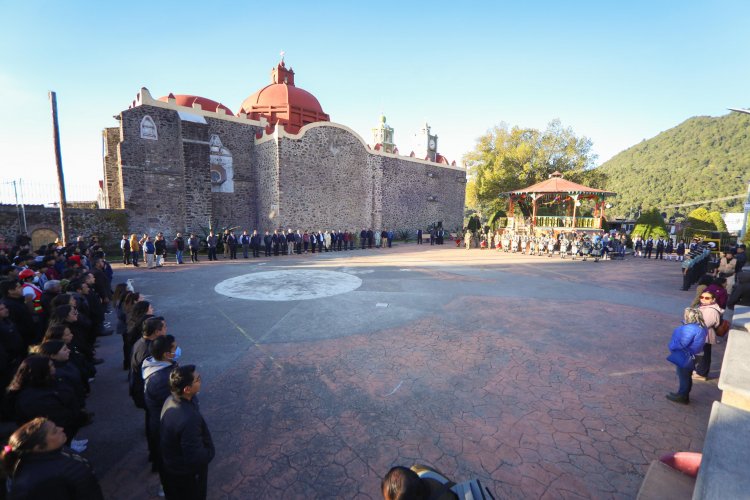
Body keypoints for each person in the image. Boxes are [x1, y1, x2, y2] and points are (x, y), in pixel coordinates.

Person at [1, 417, 104, 499]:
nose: (61, 429)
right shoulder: (43, 482)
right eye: (54, 431)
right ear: (39, 447)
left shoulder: (55, 450)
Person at [160, 365, 214, 500]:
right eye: (198, 379)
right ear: (187, 389)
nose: (200, 380)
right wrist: (209, 452)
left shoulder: (170, 400)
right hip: (187, 474)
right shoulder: (189, 418)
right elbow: (195, 457)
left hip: (173, 466)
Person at [143, 334, 179, 474]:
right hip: (165, 424)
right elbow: (174, 404)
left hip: (159, 420)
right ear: (166, 354)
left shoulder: (156, 365)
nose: (177, 351)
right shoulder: (161, 380)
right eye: (175, 348)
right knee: (168, 457)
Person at [666, 308, 707, 404]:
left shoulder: (690, 328)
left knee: (683, 375)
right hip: (696, 354)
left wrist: (671, 345)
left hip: (686, 354)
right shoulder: (701, 327)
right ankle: (683, 394)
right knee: (687, 375)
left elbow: (682, 343)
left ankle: (682, 396)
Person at [694, 290, 722, 380]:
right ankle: (701, 371)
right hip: (702, 333)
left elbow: (705, 324)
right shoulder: (705, 307)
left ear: (713, 299)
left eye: (707, 298)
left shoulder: (711, 310)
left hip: (705, 334)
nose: (703, 299)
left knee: (704, 354)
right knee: (704, 353)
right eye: (702, 297)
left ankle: (702, 373)